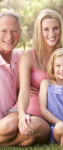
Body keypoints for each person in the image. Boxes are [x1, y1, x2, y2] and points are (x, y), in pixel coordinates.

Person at [1, 9, 63, 146]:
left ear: (60, 30)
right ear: (39, 31)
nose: (51, 34)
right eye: (45, 29)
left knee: (31, 129)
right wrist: (22, 114)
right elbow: (24, 91)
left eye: (55, 28)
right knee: (8, 126)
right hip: (22, 109)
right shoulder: (29, 55)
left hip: (44, 116)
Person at [0, 12, 23, 145]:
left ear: (19, 32)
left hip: (13, 118)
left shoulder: (21, 57)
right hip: (7, 124)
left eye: (14, 31)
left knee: (32, 134)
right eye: (3, 31)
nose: (9, 37)